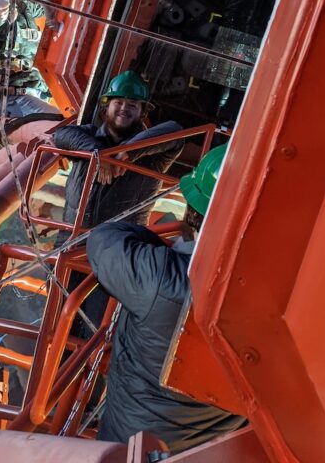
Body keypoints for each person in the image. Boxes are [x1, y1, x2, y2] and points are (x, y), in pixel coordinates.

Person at [86, 144, 246, 453]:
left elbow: (103, 238)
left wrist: (157, 246)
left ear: (191, 212)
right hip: (218, 449)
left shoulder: (160, 276)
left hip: (129, 445)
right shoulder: (282, 303)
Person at [53, 70, 184, 230]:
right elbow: (61, 135)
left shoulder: (153, 156)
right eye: (118, 102)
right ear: (106, 108)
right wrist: (99, 153)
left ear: (142, 113)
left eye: (132, 105)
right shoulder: (89, 136)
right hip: (70, 239)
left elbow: (176, 133)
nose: (124, 108)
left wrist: (130, 151)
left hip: (120, 246)